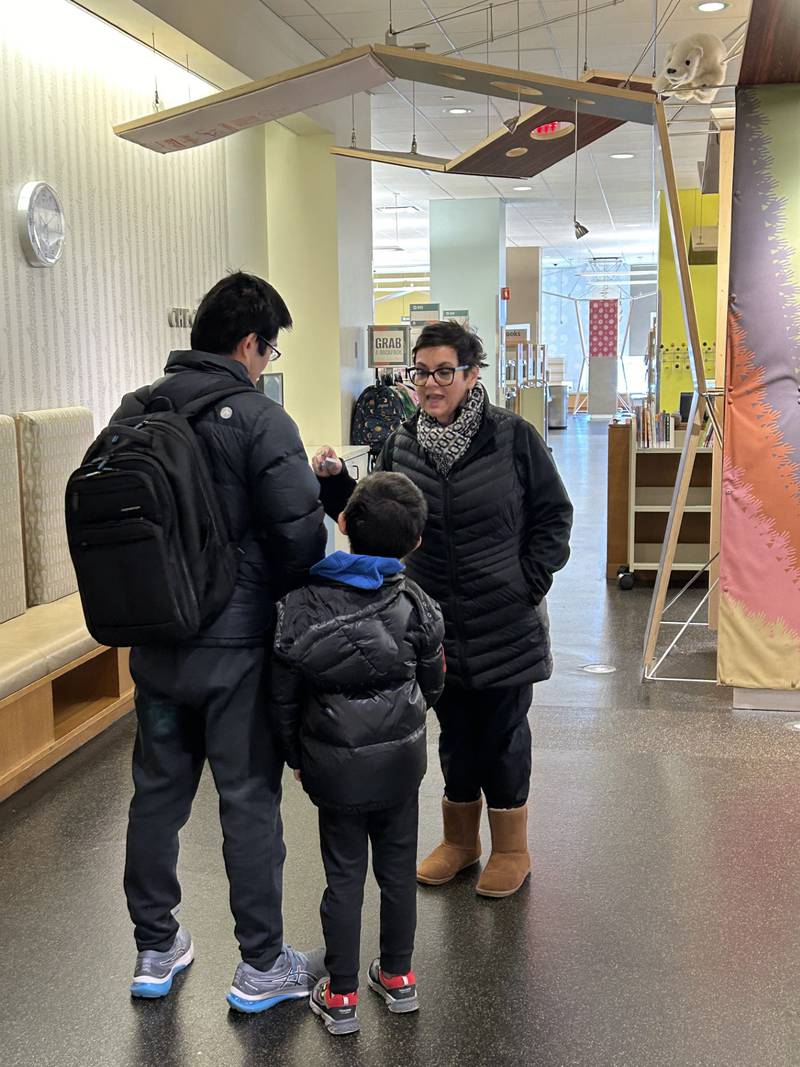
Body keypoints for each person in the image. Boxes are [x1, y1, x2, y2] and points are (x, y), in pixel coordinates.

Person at [113, 273, 327, 1009]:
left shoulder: (134, 409)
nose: (266, 362)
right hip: (235, 649)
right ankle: (262, 963)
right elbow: (300, 542)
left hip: (153, 642)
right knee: (246, 798)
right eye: (267, 349)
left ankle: (154, 945)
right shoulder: (261, 419)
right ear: (247, 345)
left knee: (156, 793)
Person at [314, 321, 573, 899]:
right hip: (432, 622)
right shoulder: (400, 441)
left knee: (504, 733)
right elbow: (373, 514)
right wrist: (333, 486)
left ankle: (511, 847)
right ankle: (461, 842)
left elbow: (554, 515)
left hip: (505, 618)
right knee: (453, 732)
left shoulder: (512, 437)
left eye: (444, 373)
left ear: (472, 374)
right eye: (422, 372)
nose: (431, 385)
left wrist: (528, 582)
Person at [271, 472, 445, 1036]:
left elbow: (283, 695)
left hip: (334, 768)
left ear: (341, 523)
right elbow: (434, 681)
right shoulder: (416, 603)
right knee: (398, 873)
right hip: (400, 765)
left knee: (343, 877)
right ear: (416, 543)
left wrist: (297, 753)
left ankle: (341, 992)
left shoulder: (301, 604)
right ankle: (397, 978)